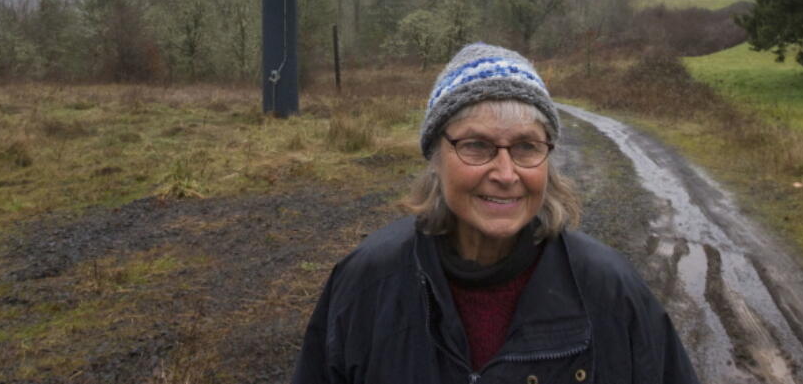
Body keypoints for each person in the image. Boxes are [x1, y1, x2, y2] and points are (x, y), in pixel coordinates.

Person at [292, 43, 699, 383]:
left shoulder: (612, 291)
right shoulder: (366, 283)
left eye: (525, 147)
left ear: (547, 158)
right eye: (476, 146)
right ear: (436, 157)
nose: (505, 174)